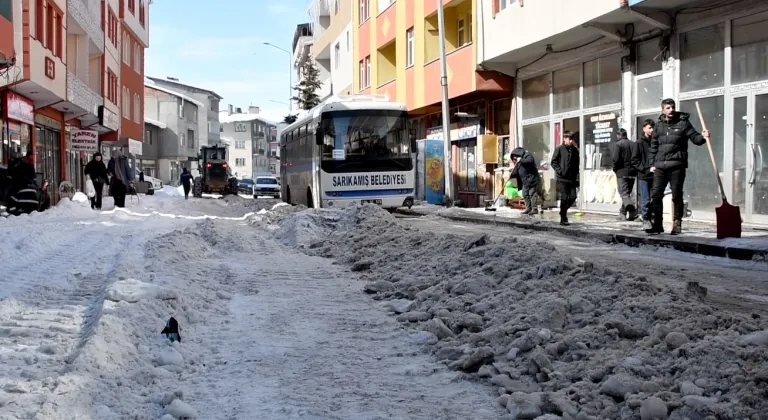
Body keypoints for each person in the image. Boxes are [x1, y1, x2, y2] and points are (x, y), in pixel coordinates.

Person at [646, 99, 709, 235]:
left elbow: (694, 137)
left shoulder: (683, 123)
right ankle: (657, 224)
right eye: (668, 108)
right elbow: (654, 146)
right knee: (656, 195)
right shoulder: (658, 126)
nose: (671, 110)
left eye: (672, 107)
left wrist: (703, 137)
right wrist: (652, 164)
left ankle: (677, 224)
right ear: (663, 110)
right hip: (660, 166)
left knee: (676, 195)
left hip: (676, 165)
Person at [611, 128, 641, 221]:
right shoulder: (633, 144)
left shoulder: (618, 144)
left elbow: (616, 159)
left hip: (621, 171)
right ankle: (622, 213)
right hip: (632, 172)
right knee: (627, 194)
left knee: (624, 194)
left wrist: (615, 169)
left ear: (619, 135)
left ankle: (633, 212)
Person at [551, 131, 580, 226]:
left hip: (571, 178)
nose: (571, 141)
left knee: (573, 197)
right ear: (564, 139)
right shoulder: (559, 149)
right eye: (569, 139)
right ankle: (563, 218)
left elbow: (576, 164)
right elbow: (553, 162)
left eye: (572, 139)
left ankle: (562, 211)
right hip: (562, 178)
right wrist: (560, 171)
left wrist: (576, 177)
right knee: (564, 197)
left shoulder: (575, 150)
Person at [6, 150, 40, 215]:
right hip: (33, 203)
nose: (33, 159)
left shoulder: (19, 163)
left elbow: (10, 173)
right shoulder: (30, 166)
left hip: (20, 204)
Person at [636, 120, 655, 228]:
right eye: (649, 128)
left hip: (655, 173)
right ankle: (645, 219)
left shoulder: (654, 141)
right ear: (644, 129)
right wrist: (645, 169)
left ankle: (651, 217)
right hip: (644, 175)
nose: (651, 130)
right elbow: (634, 160)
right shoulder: (639, 143)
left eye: (652, 128)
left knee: (655, 197)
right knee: (645, 198)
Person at [509, 147, 539, 215]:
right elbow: (517, 171)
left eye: (515, 158)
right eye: (513, 159)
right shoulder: (518, 162)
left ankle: (534, 209)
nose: (514, 160)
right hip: (525, 181)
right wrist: (510, 175)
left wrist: (521, 160)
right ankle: (528, 208)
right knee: (525, 194)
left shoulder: (527, 155)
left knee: (532, 194)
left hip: (531, 179)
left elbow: (530, 161)